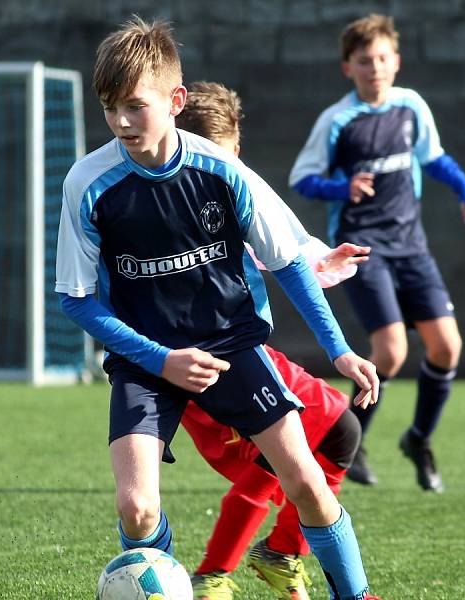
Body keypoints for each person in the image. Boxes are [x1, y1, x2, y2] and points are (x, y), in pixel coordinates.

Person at [55, 17, 381, 600]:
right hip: (145, 360)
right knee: (135, 506)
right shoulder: (89, 182)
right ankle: (167, 584)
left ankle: (354, 595)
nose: (122, 122)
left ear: (176, 100)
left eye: (135, 105)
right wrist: (161, 360)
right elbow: (77, 299)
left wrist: (340, 349)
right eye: (109, 108)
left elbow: (286, 261)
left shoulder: (222, 170)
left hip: (231, 344)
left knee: (306, 479)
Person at [176, 81, 370, 600]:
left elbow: (279, 249)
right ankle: (243, 563)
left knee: (297, 452)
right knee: (327, 438)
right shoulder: (209, 186)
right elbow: (280, 251)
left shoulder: (210, 185)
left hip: (216, 357)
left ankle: (239, 565)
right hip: (218, 359)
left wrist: (321, 261)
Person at [289, 14, 465, 493]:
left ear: (396, 62)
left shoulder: (411, 107)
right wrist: (342, 187)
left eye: (382, 58)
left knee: (447, 347)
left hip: (412, 248)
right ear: (347, 68)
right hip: (364, 250)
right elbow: (302, 178)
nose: (374, 67)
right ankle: (346, 441)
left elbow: (435, 158)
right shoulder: (338, 120)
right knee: (392, 352)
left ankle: (418, 440)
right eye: (364, 61)